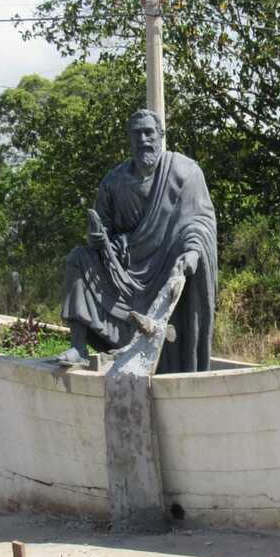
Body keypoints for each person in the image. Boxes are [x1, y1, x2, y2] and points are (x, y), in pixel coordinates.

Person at [55, 109, 217, 373]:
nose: (143, 139)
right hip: (123, 271)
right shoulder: (114, 181)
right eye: (136, 133)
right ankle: (78, 348)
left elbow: (199, 222)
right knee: (78, 259)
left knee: (182, 261)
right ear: (129, 139)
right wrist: (101, 240)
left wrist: (194, 252)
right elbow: (102, 233)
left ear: (161, 135)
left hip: (166, 267)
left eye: (148, 132)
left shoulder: (186, 173)